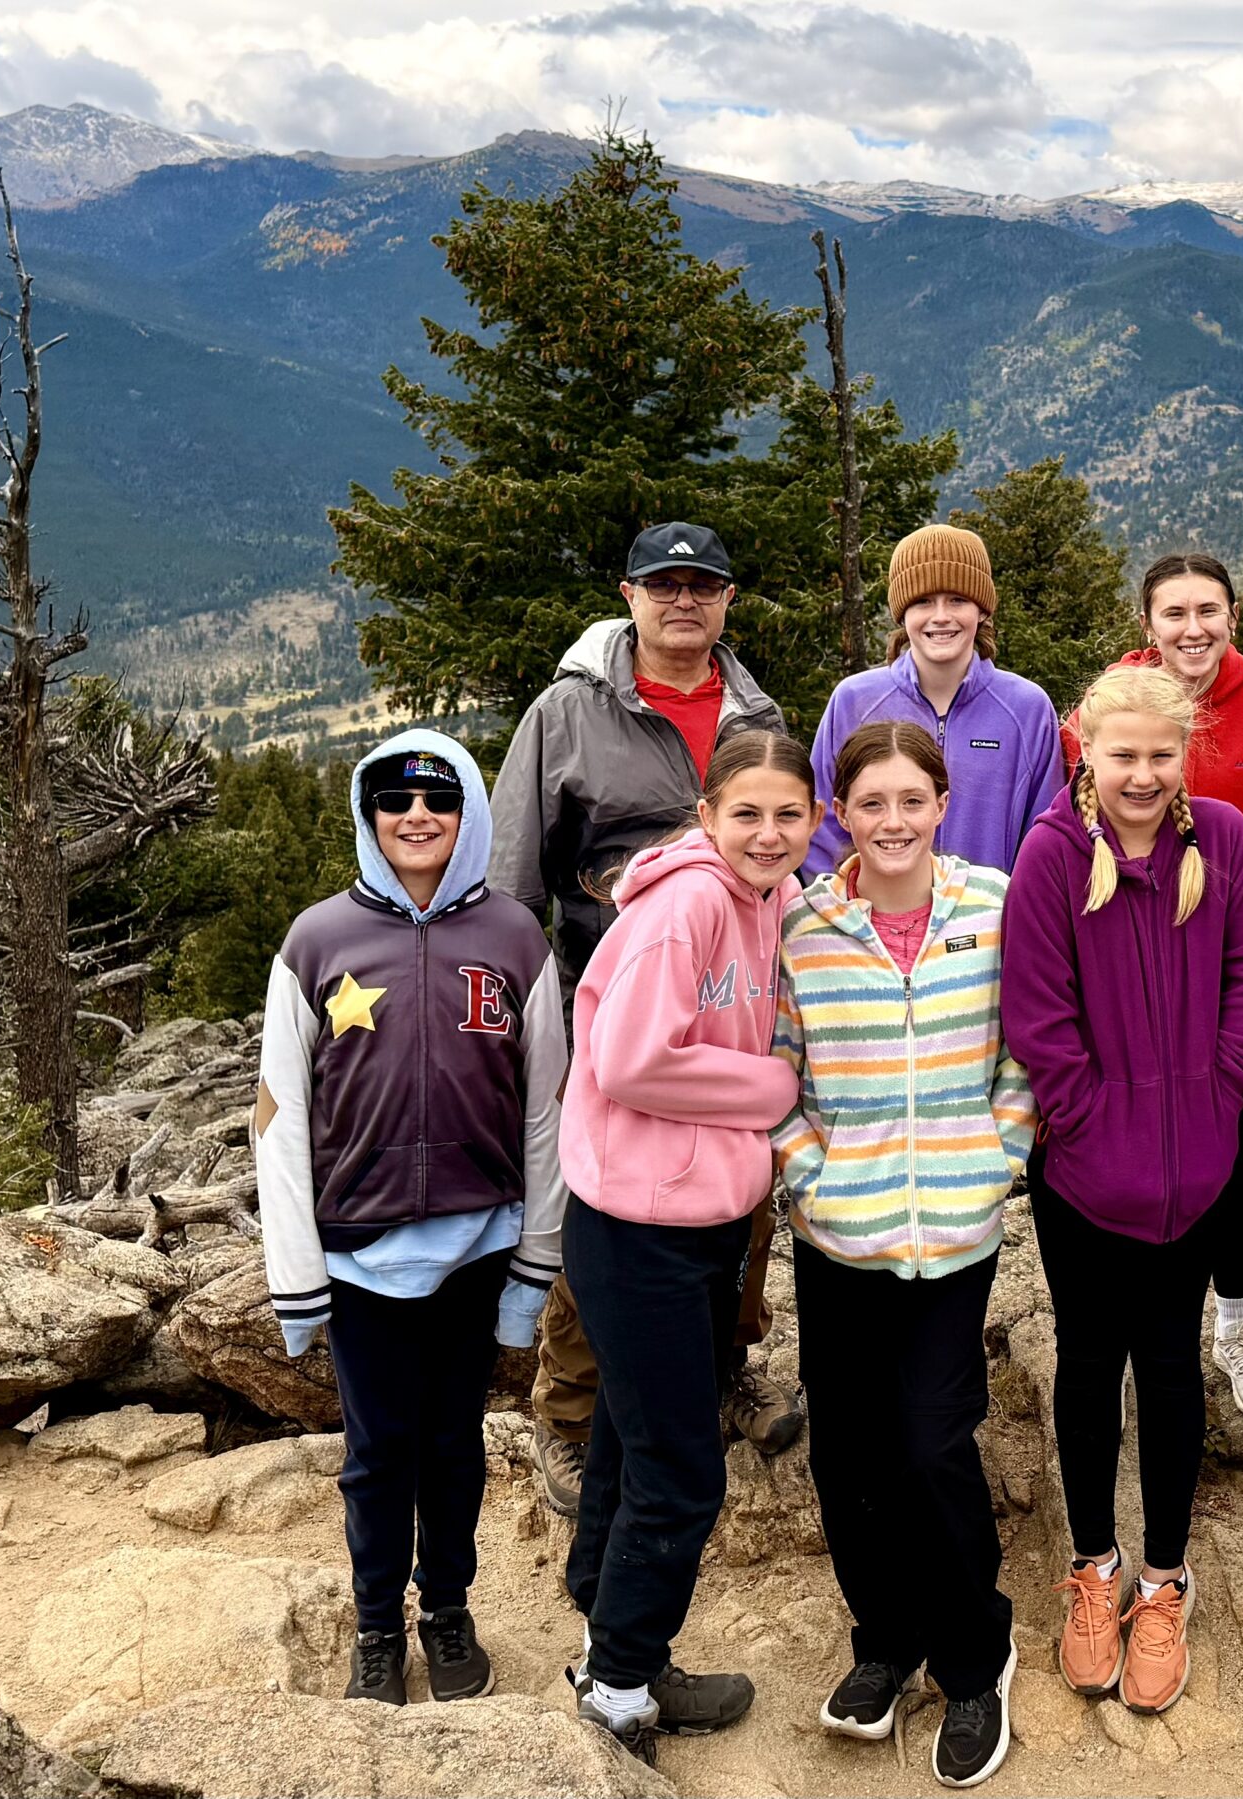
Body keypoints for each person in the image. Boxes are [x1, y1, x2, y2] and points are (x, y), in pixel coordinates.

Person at [491, 521, 803, 1517]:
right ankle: (573, 1413)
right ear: (627, 593)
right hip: (607, 993)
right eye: (663, 584)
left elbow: (781, 848)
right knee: (609, 1197)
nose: (683, 600)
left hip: (736, 999)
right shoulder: (568, 713)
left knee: (738, 1190)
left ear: (727, 599)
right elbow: (511, 874)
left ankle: (720, 1369)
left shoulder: (754, 710)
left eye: (702, 585)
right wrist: (518, 1008)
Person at [255, 731, 566, 1708]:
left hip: (478, 1250)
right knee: (378, 1453)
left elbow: (547, 1108)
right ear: (368, 811)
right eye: (394, 795)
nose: (417, 812)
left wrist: (533, 1266)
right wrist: (295, 1276)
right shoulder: (315, 942)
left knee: (454, 1445)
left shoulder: (517, 938)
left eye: (438, 795)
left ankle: (449, 1611)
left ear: (469, 809)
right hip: (358, 1261)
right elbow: (278, 1117)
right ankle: (379, 1626)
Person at [1004, 664, 1243, 1718]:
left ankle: (1164, 1576)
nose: (1141, 773)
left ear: (1186, 755)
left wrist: (1218, 1103)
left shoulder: (1219, 841)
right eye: (1121, 754)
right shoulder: (1048, 858)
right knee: (1088, 1366)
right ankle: (1094, 1563)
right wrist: (1088, 1126)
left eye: (1161, 755)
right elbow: (1038, 1018)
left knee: (1171, 1371)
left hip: (1196, 1168)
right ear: (1085, 747)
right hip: (1083, 1175)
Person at [774, 722, 1034, 1788]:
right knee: (847, 1451)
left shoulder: (995, 903)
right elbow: (778, 1061)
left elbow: (1026, 1047)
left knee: (933, 1440)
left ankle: (977, 1655)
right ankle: (885, 1639)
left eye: (910, 800)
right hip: (839, 1230)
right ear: (842, 811)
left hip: (953, 1228)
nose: (891, 821)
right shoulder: (803, 922)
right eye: (869, 801)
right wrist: (809, 1174)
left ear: (940, 803)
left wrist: (995, 1154)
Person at [557, 731, 817, 1764]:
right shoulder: (690, 904)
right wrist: (769, 1091)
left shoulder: (765, 899)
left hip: (691, 1224)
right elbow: (624, 1058)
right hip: (637, 1229)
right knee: (679, 1469)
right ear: (705, 815)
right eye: (745, 812)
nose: (767, 832)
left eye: (788, 814)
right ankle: (619, 1691)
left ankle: (605, 1629)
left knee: (629, 1440)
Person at [1060, 551, 1243, 1419]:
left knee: (1227, 1156)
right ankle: (1134, 1332)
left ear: (1234, 619)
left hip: (1233, 978)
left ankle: (1234, 1323)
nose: (1193, 627)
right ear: (1148, 624)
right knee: (1115, 1156)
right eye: (1174, 612)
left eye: (1209, 609)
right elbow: (1067, 828)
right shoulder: (1102, 708)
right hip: (1120, 988)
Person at [801, 522, 1064, 878]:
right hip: (864, 925)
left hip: (990, 927)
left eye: (957, 599)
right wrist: (841, 914)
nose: (941, 616)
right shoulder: (855, 700)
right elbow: (822, 824)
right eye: (923, 601)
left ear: (982, 611)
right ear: (903, 613)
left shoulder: (1027, 709)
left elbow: (1045, 837)